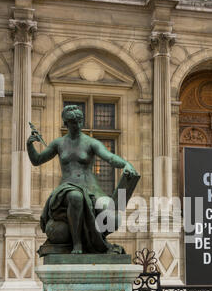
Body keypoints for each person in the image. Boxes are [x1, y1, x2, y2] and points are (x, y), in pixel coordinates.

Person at [27, 105, 139, 254]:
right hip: (68, 188)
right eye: (73, 122)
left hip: (92, 188)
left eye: (80, 121)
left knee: (112, 215)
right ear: (66, 123)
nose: (77, 125)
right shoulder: (58, 144)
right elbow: (37, 160)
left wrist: (126, 164)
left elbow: (110, 157)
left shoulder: (90, 143)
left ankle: (97, 241)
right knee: (76, 197)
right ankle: (77, 243)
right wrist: (30, 145)